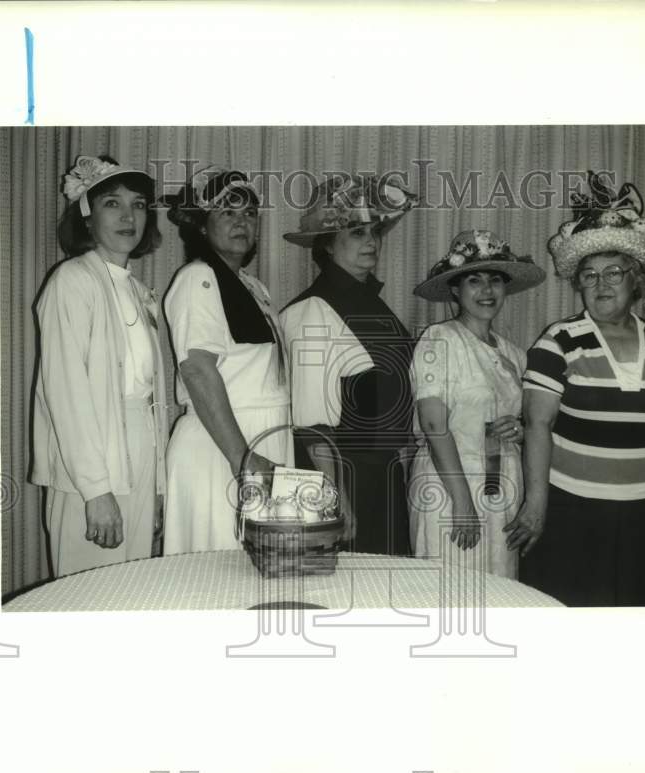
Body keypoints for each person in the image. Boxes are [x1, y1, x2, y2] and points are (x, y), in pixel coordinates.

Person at [506, 172, 645, 606]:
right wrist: (536, 505)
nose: (601, 284)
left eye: (614, 272)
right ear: (578, 285)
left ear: (636, 280)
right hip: (572, 511)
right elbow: (538, 426)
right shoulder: (557, 341)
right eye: (590, 275)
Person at [31, 155, 168, 577]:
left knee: (136, 591)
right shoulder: (72, 281)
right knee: (91, 594)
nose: (129, 216)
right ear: (87, 217)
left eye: (139, 204)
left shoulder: (139, 290)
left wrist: (159, 486)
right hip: (93, 459)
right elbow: (67, 394)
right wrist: (96, 492)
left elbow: (152, 399)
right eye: (113, 203)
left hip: (141, 450)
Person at [280, 173, 417, 556]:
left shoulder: (372, 302)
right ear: (327, 245)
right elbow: (311, 421)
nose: (372, 241)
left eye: (374, 231)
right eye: (357, 232)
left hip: (380, 475)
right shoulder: (312, 309)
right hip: (343, 478)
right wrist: (335, 498)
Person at [162, 166, 292, 553]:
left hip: (260, 442)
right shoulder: (198, 278)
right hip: (223, 448)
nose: (242, 222)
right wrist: (244, 459)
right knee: (216, 579)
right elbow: (197, 370)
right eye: (227, 212)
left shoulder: (253, 287)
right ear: (202, 225)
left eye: (249, 213)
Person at [409, 230, 545, 577]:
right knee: (450, 591)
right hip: (451, 484)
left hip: (503, 485)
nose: (487, 290)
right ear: (455, 289)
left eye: (495, 280)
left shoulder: (513, 353)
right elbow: (433, 425)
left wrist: (520, 430)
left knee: (500, 589)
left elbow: (531, 421)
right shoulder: (439, 340)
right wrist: (462, 501)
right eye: (474, 280)